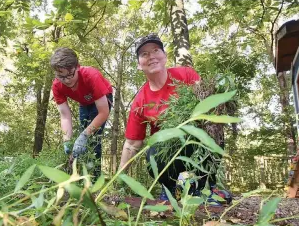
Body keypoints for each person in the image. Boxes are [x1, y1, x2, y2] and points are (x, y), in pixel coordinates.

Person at [119, 33, 231, 204]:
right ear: (139, 65)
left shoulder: (186, 76)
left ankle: (202, 187)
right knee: (153, 153)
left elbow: (208, 106)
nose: (151, 56)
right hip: (169, 155)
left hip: (195, 146)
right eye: (144, 54)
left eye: (156, 50)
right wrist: (119, 180)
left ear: (165, 56)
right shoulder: (140, 101)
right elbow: (131, 144)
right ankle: (172, 188)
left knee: (213, 130)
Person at [50, 47, 113, 179]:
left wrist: (84, 135)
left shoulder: (92, 76)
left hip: (102, 99)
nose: (67, 80)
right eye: (61, 76)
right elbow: (65, 116)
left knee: (92, 138)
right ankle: (77, 175)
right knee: (78, 141)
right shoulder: (57, 86)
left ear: (77, 67)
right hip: (84, 103)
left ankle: (94, 180)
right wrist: (67, 139)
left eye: (70, 75)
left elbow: (103, 112)